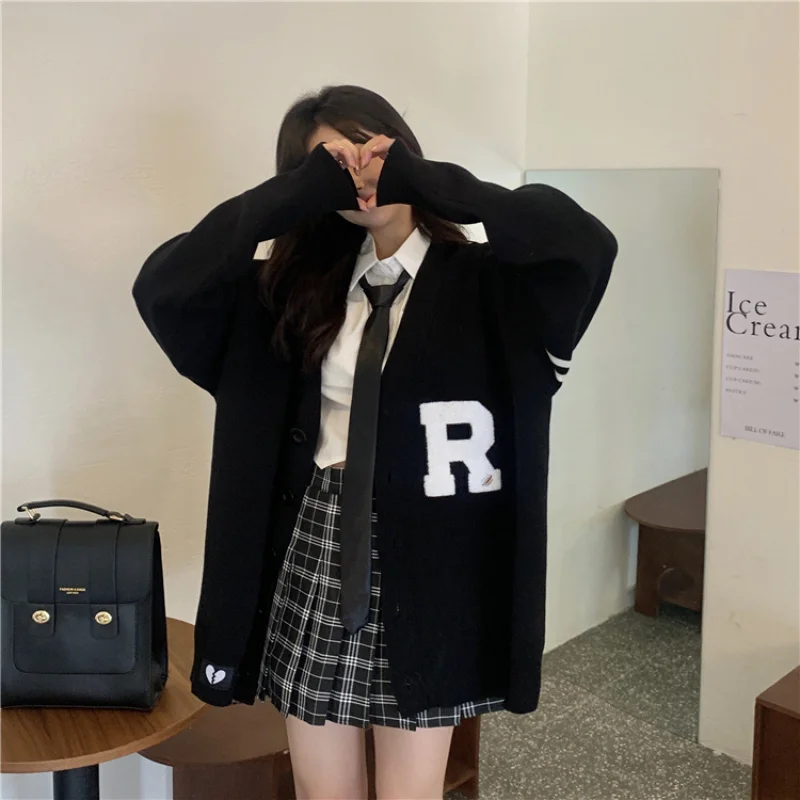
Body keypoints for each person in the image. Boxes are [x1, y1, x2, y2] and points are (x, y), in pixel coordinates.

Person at [132, 84, 618, 800]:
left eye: (370, 152)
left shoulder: (500, 291)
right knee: (322, 788)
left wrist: (435, 184)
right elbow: (163, 287)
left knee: (409, 791)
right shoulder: (291, 293)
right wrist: (288, 197)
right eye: (332, 166)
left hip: (436, 562)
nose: (359, 176)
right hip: (317, 547)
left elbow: (585, 245)